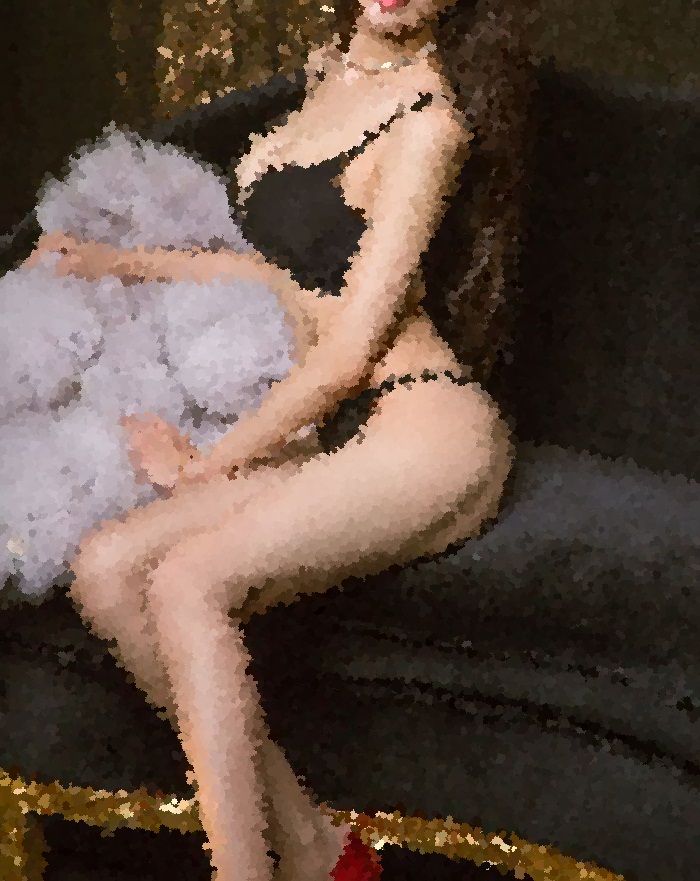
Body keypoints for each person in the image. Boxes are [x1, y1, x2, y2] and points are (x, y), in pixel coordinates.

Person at [25, 0, 524, 878]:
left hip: (419, 422)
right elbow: (278, 271)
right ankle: (324, 855)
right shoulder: (331, 75)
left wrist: (203, 465)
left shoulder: (429, 119)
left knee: (187, 581)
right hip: (335, 434)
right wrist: (119, 263)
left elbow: (350, 350)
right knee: (105, 568)